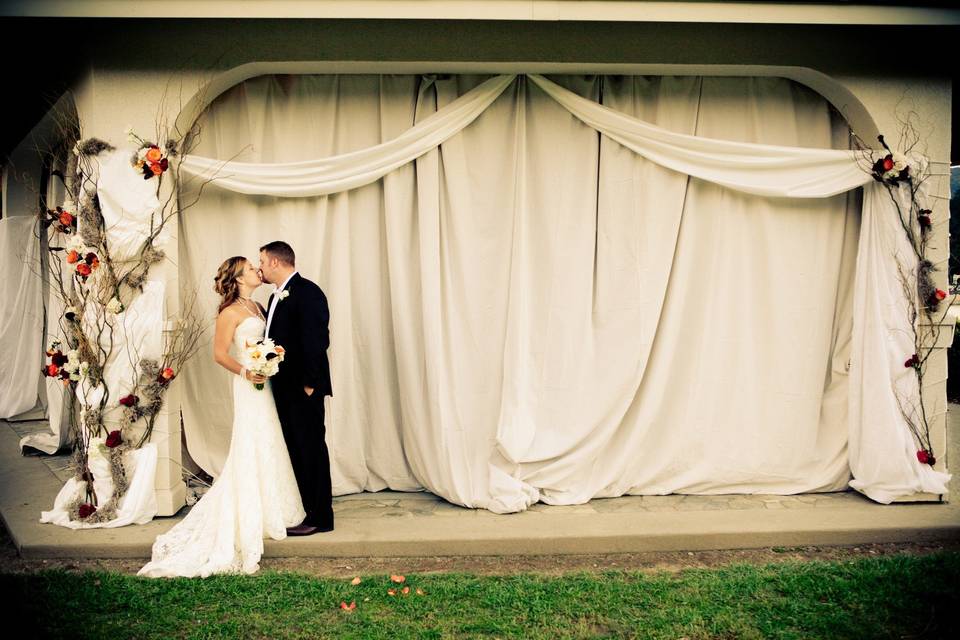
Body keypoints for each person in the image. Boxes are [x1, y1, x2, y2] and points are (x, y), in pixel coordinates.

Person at [138, 256, 305, 577]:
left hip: (265, 381)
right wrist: (246, 371)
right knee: (251, 438)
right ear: (239, 278)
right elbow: (219, 354)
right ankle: (247, 510)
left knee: (270, 438)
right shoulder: (229, 313)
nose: (259, 271)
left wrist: (271, 360)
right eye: (252, 269)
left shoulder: (258, 307)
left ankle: (274, 506)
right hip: (248, 384)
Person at [258, 240, 334, 535]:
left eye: (262, 261)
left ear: (275, 262)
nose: (260, 267)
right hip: (285, 388)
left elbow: (317, 341)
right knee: (298, 450)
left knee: (311, 449)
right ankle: (308, 510)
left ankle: (320, 518)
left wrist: (309, 385)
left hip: (304, 389)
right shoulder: (275, 296)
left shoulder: (308, 292)